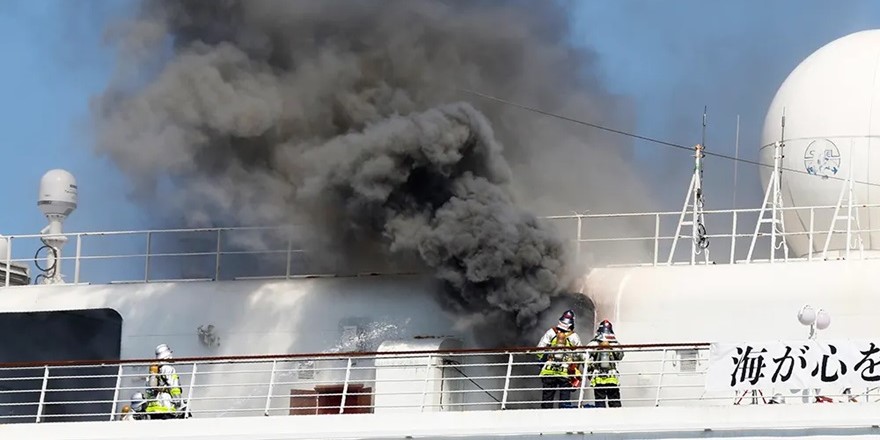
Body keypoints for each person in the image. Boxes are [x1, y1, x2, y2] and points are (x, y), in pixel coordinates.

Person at [537, 310, 583, 408]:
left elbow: (539, 351)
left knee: (547, 400)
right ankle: (563, 419)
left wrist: (541, 364)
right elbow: (580, 355)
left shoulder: (551, 332)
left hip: (548, 371)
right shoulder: (574, 337)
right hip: (565, 372)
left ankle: (545, 419)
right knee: (564, 402)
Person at [587, 320, 624, 408]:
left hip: (598, 377)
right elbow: (620, 356)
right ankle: (616, 417)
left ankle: (600, 418)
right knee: (614, 401)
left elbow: (584, 356)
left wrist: (589, 368)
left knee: (600, 401)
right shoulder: (615, 344)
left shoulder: (594, 343)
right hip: (612, 377)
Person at [149, 343, 187, 415]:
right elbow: (174, 387)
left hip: (156, 406)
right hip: (166, 406)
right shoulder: (168, 369)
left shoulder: (157, 369)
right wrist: (178, 402)